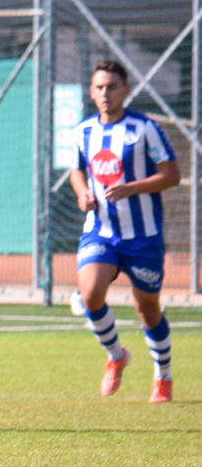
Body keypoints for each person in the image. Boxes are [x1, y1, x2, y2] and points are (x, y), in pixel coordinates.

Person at [67, 60, 180, 403]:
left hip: (143, 236)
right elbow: (77, 171)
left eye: (112, 87)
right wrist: (82, 193)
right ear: (91, 91)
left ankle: (162, 376)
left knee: (147, 308)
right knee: (90, 294)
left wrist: (132, 188)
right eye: (100, 87)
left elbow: (172, 174)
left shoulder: (144, 128)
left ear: (125, 91)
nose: (106, 93)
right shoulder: (83, 131)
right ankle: (116, 357)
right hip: (101, 231)